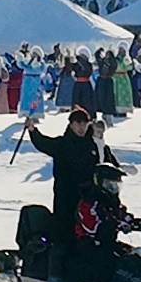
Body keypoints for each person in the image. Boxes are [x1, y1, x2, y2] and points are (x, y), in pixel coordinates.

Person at [26, 106, 102, 256]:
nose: (81, 128)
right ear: (71, 125)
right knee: (64, 231)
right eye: (77, 124)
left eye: (84, 124)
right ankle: (56, 271)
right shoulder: (63, 144)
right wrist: (32, 130)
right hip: (66, 195)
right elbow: (44, 143)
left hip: (87, 197)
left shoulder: (91, 145)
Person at [63, 162, 137, 282]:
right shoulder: (89, 201)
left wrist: (137, 223)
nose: (114, 188)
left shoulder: (111, 201)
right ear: (100, 183)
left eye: (116, 185)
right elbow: (91, 227)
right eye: (111, 184)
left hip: (106, 243)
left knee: (132, 259)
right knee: (107, 266)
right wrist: (116, 224)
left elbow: (121, 215)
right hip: (88, 243)